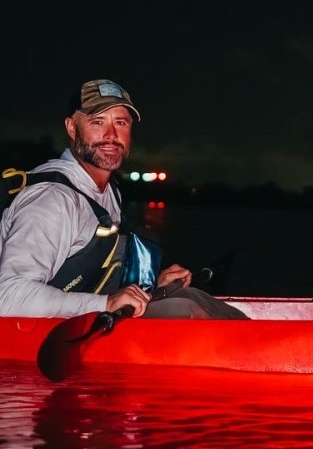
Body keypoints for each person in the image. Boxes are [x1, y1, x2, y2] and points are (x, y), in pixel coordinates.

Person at [0, 78, 248, 320]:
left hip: (77, 322)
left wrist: (150, 285)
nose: (111, 134)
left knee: (190, 296)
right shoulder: (52, 200)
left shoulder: (107, 191)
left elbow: (91, 276)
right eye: (97, 122)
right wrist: (105, 304)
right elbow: (7, 296)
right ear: (72, 128)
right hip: (34, 335)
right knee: (187, 310)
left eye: (120, 122)